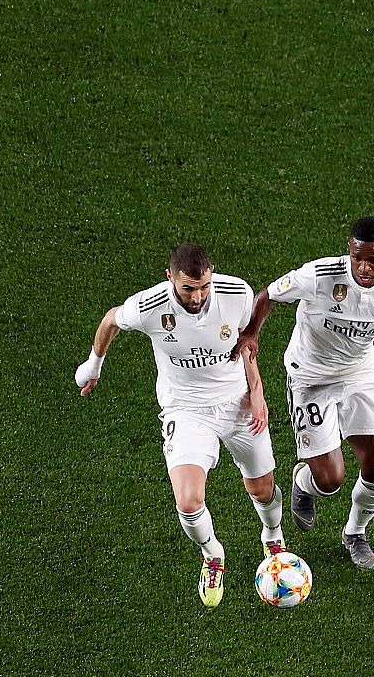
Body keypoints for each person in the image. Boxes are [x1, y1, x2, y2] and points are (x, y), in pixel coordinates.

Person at [75, 243, 286, 608]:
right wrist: (94, 365)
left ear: (212, 274)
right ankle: (213, 554)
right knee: (188, 502)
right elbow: (111, 319)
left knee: (262, 489)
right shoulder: (149, 307)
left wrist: (256, 392)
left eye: (204, 286)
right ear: (170, 278)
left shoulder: (237, 293)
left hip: (236, 404)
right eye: (188, 288)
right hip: (185, 410)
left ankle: (273, 535)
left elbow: (245, 343)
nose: (198, 296)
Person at [232, 217, 374, 571]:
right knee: (330, 479)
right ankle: (304, 481)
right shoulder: (320, 275)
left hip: (360, 374)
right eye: (357, 258)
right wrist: (252, 333)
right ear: (349, 251)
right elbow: (269, 294)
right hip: (309, 377)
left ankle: (355, 533)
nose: (364, 267)